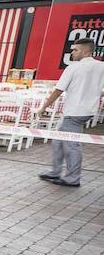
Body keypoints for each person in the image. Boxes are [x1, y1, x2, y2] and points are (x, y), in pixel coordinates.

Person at [37, 37, 104, 187]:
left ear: (86, 51)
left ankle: (73, 178)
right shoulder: (101, 67)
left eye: (75, 50)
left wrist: (43, 107)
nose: (72, 52)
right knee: (58, 141)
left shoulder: (73, 67)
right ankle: (55, 171)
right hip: (87, 111)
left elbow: (58, 90)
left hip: (74, 111)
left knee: (72, 145)